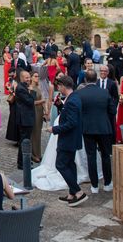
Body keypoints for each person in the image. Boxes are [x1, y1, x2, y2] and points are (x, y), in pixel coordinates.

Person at [47, 76, 87, 207]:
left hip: (68, 139)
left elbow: (71, 122)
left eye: (59, 86)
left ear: (64, 86)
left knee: (61, 164)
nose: (58, 88)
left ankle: (78, 192)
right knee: (70, 164)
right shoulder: (72, 98)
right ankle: (72, 193)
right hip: (71, 138)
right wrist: (60, 106)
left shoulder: (72, 101)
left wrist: (54, 129)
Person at [78, 70, 114, 193]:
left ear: (86, 80)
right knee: (105, 156)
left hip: (88, 128)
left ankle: (94, 185)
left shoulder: (81, 93)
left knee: (91, 156)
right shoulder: (104, 92)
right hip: (103, 127)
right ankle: (108, 183)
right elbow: (112, 110)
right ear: (96, 79)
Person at [13, 70, 35, 169]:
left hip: (27, 118)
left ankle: (26, 160)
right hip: (24, 119)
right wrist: (32, 91)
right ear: (22, 78)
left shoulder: (25, 87)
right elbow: (30, 101)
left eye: (29, 77)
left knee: (26, 140)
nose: (29, 79)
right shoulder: (21, 88)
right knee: (24, 141)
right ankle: (21, 163)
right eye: (26, 77)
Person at [29, 72, 47, 163]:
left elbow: (43, 100)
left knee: (38, 132)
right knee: (34, 133)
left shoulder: (38, 87)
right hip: (34, 111)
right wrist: (42, 101)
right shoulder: (30, 88)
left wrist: (46, 111)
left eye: (38, 76)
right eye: (35, 76)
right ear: (31, 78)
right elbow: (31, 102)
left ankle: (38, 153)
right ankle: (34, 154)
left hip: (40, 111)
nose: (37, 78)